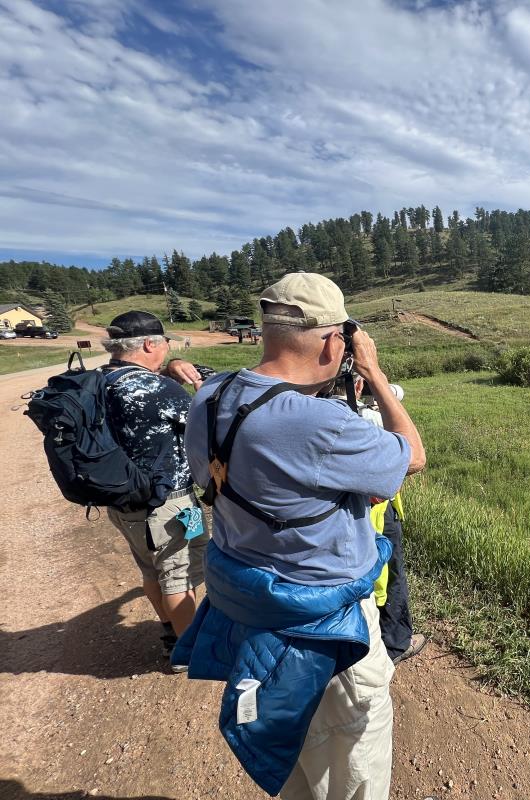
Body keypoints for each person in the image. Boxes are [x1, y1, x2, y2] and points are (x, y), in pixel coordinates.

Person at [178, 272, 425, 800]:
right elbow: (413, 455)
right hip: (325, 617)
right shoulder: (317, 423)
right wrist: (375, 374)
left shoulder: (210, 395)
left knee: (291, 736)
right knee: (355, 746)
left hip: (249, 602)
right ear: (335, 342)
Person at [100, 311, 208, 668]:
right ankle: (189, 652)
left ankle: (171, 632)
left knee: (151, 571)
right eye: (165, 344)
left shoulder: (101, 381)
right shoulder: (157, 389)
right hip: (168, 502)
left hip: (124, 502)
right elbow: (202, 424)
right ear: (149, 344)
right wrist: (199, 390)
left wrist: (171, 367)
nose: (166, 350)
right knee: (178, 575)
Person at [352, 381, 427, 665]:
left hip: (346, 516)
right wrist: (380, 385)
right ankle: (396, 643)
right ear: (358, 384)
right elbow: (413, 458)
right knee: (390, 573)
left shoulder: (313, 413)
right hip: (379, 510)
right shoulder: (370, 419)